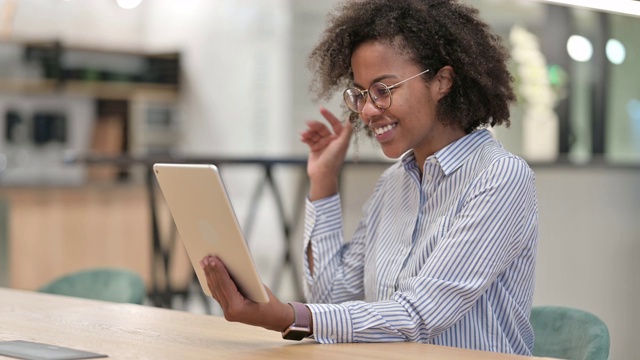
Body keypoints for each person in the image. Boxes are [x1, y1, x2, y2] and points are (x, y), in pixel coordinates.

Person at [200, 0, 538, 355]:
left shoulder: (500, 178)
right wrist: (324, 181)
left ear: (442, 81)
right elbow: (331, 296)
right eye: (360, 94)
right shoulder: (394, 183)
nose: (366, 110)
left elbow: (419, 316)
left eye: (383, 90)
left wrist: (288, 316)